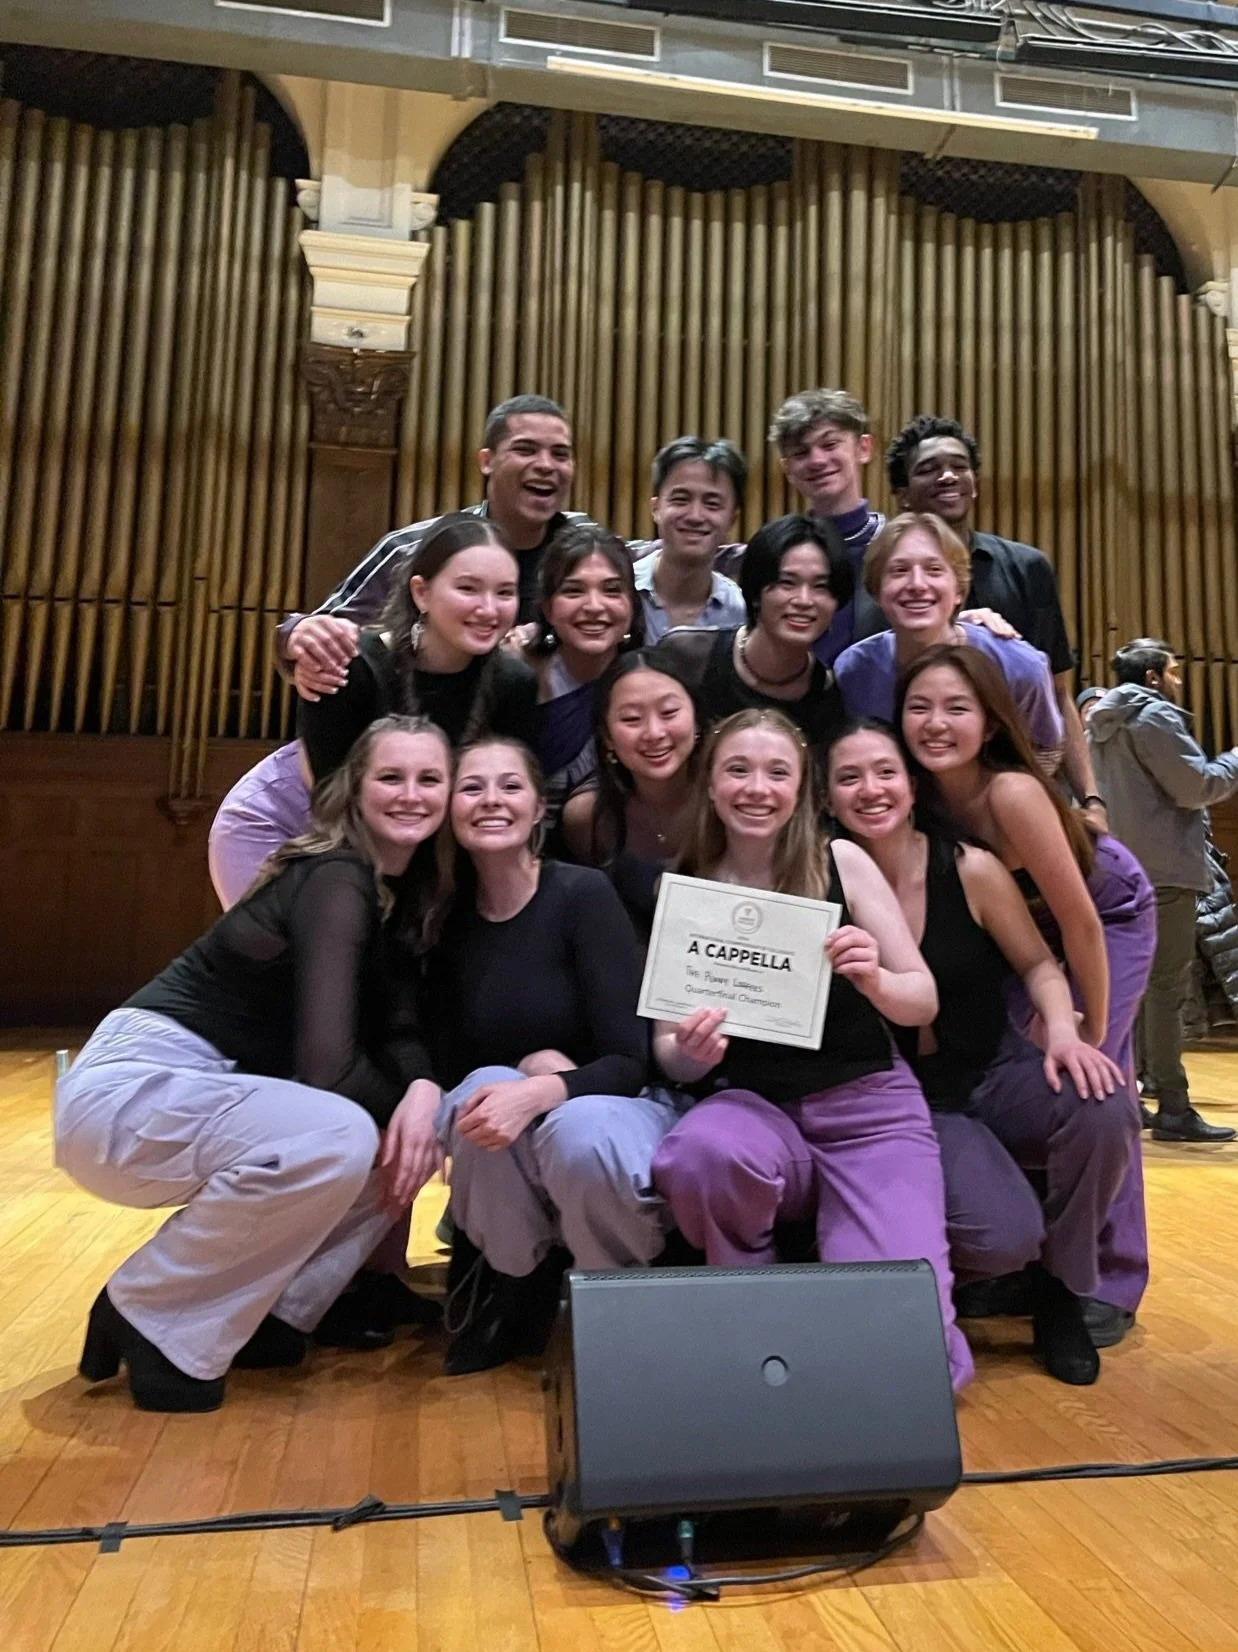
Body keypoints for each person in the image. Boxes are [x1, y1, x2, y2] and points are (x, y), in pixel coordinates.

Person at [55, 717, 455, 1412]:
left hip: (201, 1088)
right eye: (390, 777)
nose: (411, 794)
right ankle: (148, 1311)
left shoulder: (396, 892)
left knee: (383, 1144)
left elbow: (398, 1025)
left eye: (429, 779)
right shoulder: (336, 876)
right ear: (353, 789)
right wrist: (418, 1116)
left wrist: (423, 1092)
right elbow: (327, 1069)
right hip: (133, 1087)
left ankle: (268, 1314)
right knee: (343, 1132)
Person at [649, 708, 974, 1392]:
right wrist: (696, 1052)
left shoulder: (843, 860)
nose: (756, 788)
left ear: (802, 789)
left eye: (777, 772)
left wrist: (877, 978)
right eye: (737, 770)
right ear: (710, 784)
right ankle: (751, 1291)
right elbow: (668, 1054)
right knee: (699, 1153)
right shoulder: (686, 885)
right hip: (755, 1108)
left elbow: (923, 999)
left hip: (869, 1110)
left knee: (901, 1344)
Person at [826, 720, 1132, 1384]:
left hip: (994, 1070)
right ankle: (961, 1279)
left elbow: (1040, 965)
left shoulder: (969, 867)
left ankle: (1063, 1291)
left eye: (885, 772)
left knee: (1104, 1103)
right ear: (825, 797)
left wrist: (1061, 1030)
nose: (871, 790)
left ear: (912, 784)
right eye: (849, 777)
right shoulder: (819, 880)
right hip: (905, 1100)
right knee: (1003, 1234)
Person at [896, 644, 1156, 1346]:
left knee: (1097, 1089)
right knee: (1019, 1069)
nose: (937, 723)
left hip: (1105, 913)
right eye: (919, 708)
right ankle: (1018, 1251)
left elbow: (1080, 924)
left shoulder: (1011, 792)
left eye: (958, 708)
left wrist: (1091, 1037)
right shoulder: (910, 798)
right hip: (1020, 935)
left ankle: (1070, 1284)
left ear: (991, 721)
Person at [427, 738, 677, 1375]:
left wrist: (544, 1085)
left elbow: (632, 1059)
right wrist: (520, 1077)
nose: (491, 801)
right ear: (450, 806)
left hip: (613, 1105)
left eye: (510, 786)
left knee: (578, 1131)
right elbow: (451, 1058)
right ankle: (515, 1286)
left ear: (539, 806)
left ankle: (618, 1298)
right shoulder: (444, 919)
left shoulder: (583, 894)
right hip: (513, 1122)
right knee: (478, 1093)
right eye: (473, 787)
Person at [209, 516, 538, 909]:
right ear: (421, 593)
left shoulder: (515, 683)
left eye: (505, 593)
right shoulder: (350, 666)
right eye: (468, 588)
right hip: (292, 823)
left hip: (404, 841)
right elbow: (334, 810)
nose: (489, 609)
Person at [882, 415, 1106, 828]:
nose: (948, 476)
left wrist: (1091, 800)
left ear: (975, 481)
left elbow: (1058, 693)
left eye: (959, 466)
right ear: (903, 495)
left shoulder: (1027, 567)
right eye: (928, 469)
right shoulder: (888, 583)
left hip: (1021, 792)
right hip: (919, 804)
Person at [281, 394, 584, 699]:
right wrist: (296, 636)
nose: (546, 465)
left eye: (560, 454)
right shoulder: (411, 548)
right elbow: (323, 629)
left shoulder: (593, 553)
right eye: (525, 450)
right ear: (487, 461)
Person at [1088, 638, 1238, 1143]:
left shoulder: (1099, 722)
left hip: (1122, 868)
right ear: (1152, 677)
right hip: (1166, 870)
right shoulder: (1155, 717)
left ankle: (1128, 1095)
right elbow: (1196, 787)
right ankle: (1173, 1106)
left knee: (1130, 987)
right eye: (1173, 672)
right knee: (1167, 990)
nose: (1178, 681)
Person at [833, 513, 1063, 769]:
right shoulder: (854, 671)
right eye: (899, 571)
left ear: (959, 591)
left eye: (934, 570)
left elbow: (1047, 748)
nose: (917, 584)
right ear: (876, 591)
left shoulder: (1019, 666)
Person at [654, 514, 846, 765]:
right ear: (755, 592)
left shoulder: (828, 696)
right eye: (786, 583)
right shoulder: (686, 655)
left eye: (821, 587)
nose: (803, 600)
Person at [562, 651, 704, 939]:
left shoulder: (733, 800)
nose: (654, 732)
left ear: (697, 719)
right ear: (607, 737)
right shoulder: (588, 817)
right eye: (631, 719)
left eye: (669, 713)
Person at [524, 525, 644, 827]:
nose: (594, 606)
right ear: (548, 608)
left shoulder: (651, 683)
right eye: (573, 590)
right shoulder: (514, 677)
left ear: (632, 605)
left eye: (612, 590)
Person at [629, 437, 748, 640]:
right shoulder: (620, 591)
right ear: (656, 509)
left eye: (711, 504)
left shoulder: (740, 613)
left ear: (732, 519)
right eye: (681, 499)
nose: (695, 516)